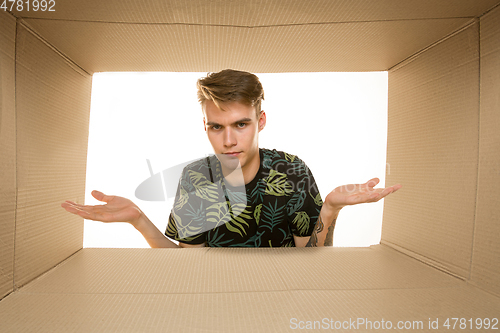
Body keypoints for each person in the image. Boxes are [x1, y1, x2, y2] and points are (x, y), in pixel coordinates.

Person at [61, 69, 401, 248]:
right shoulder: (197, 178)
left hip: (281, 300)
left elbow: (311, 262)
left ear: (261, 121)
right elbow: (187, 267)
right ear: (204, 126)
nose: (227, 140)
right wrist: (139, 220)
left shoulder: (292, 171)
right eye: (216, 126)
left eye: (241, 124)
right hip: (216, 300)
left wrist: (330, 209)